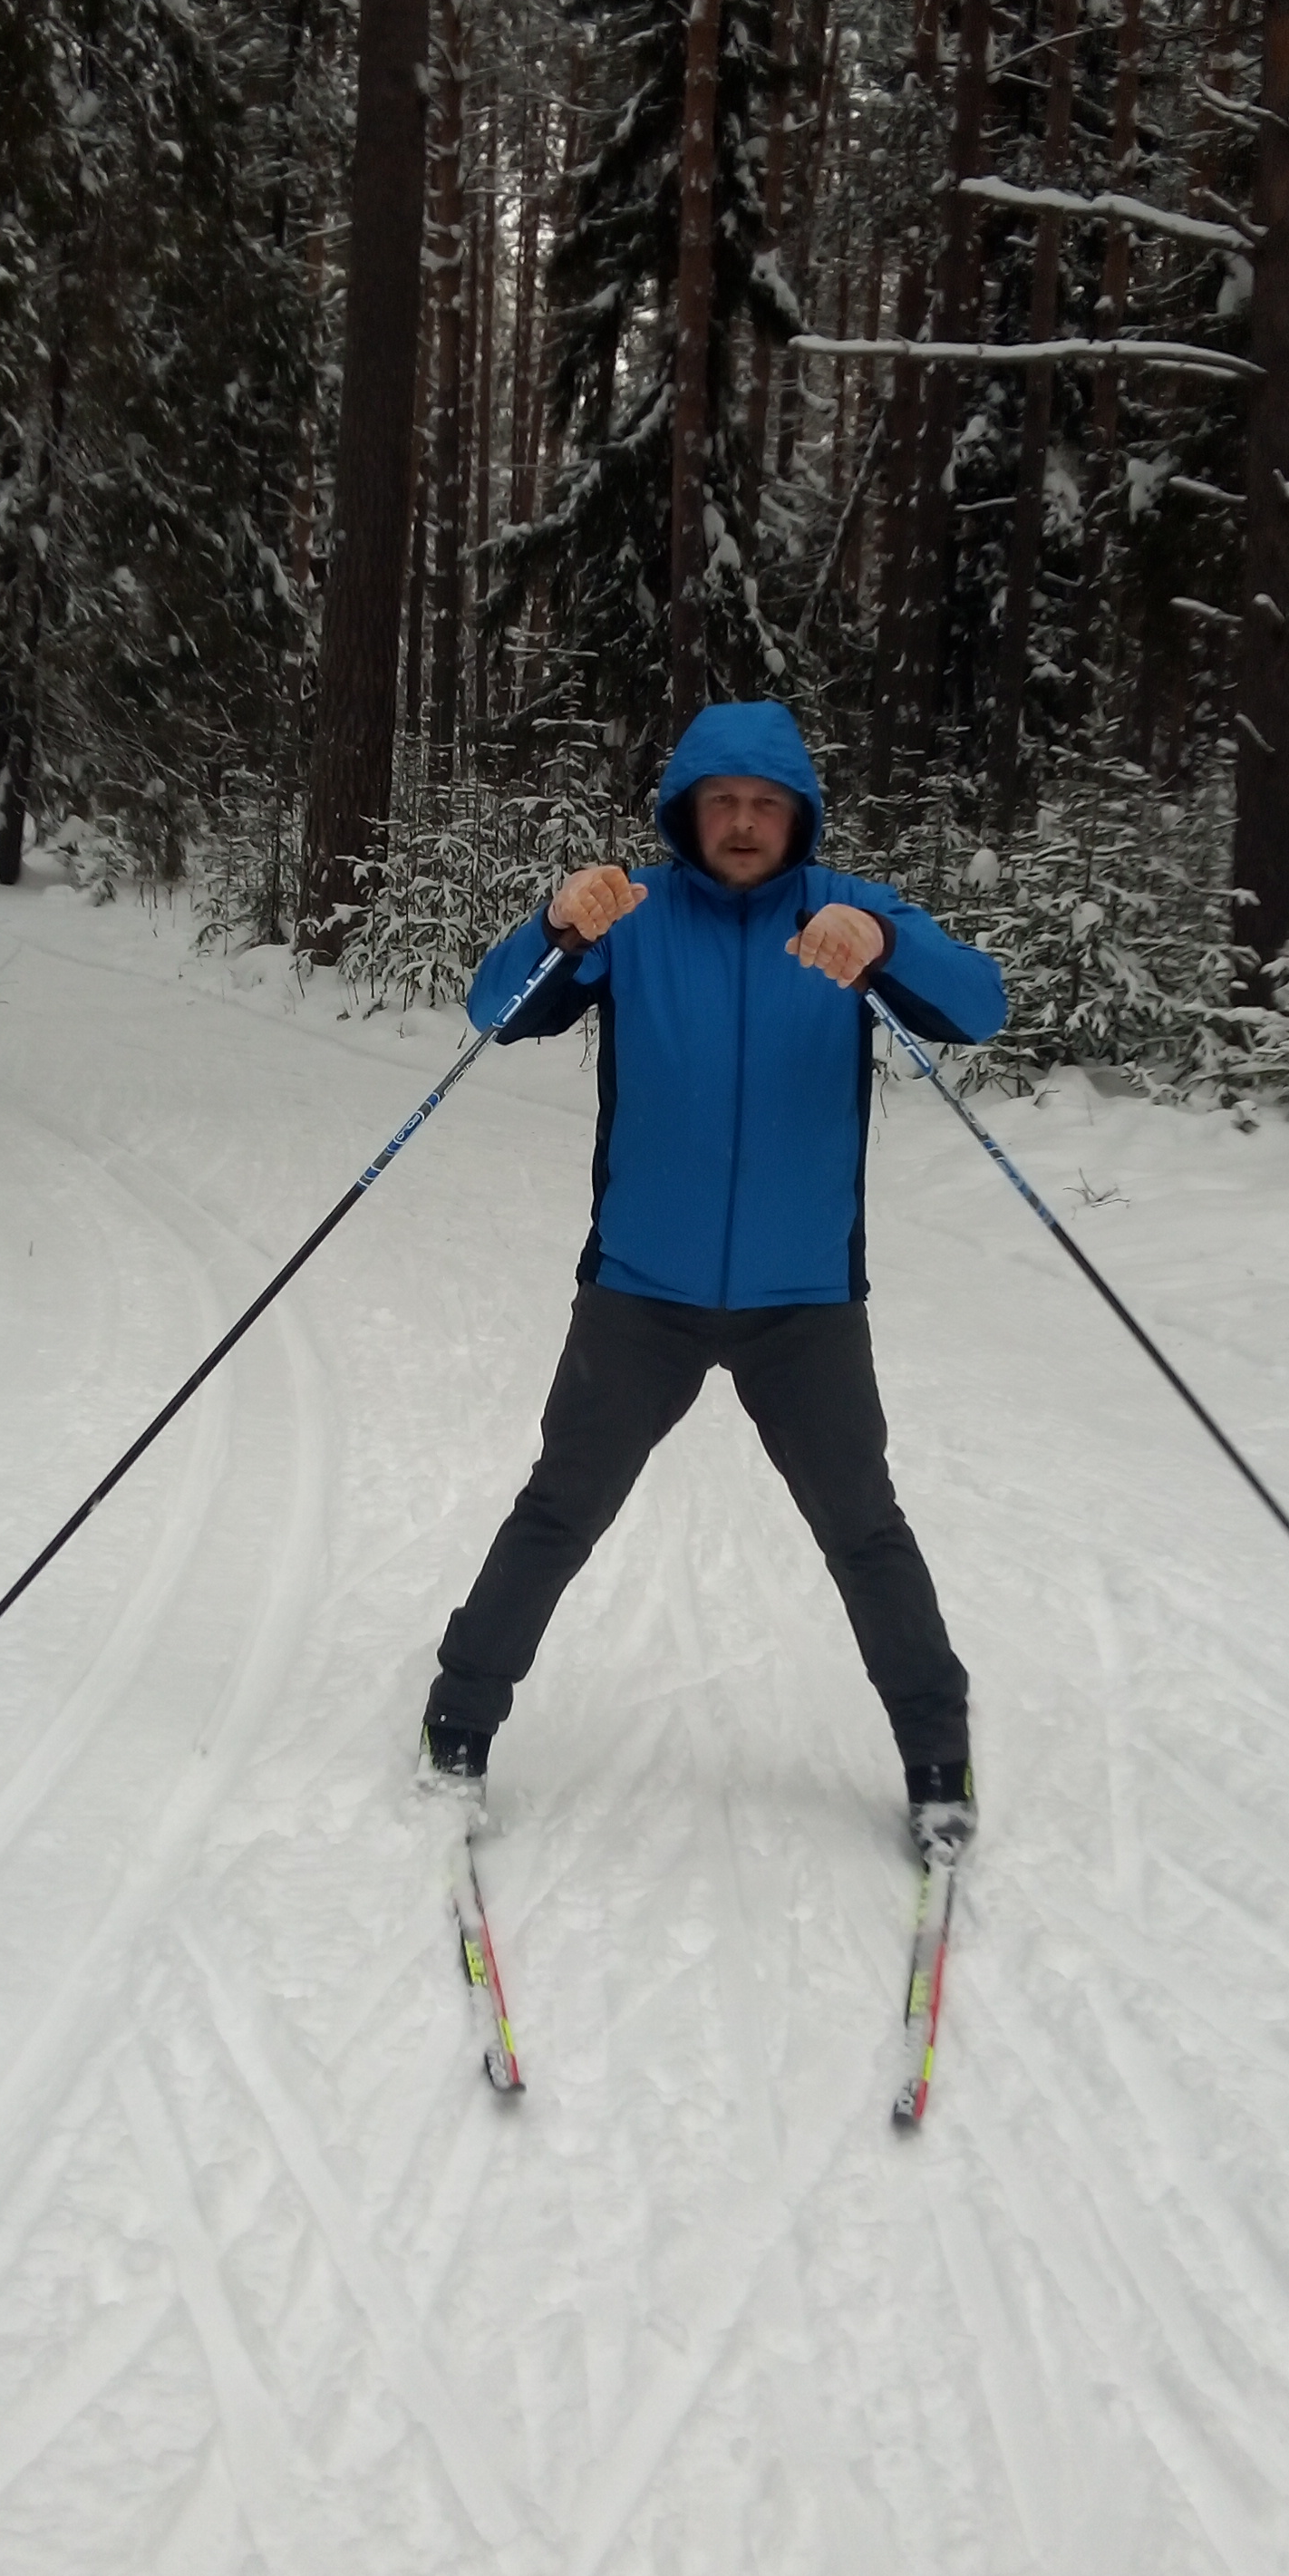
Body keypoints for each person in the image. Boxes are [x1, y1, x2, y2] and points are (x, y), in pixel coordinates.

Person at [420, 697, 1007, 1857]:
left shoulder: (846, 913)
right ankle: (457, 1727)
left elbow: (980, 1007)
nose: (743, 823)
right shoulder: (631, 915)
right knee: (559, 1509)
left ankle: (938, 1757)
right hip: (643, 1288)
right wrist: (556, 923)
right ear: (686, 812)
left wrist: (889, 946)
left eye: (766, 805)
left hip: (805, 1302)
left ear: (800, 816)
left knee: (864, 1527)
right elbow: (496, 1008)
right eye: (723, 803)